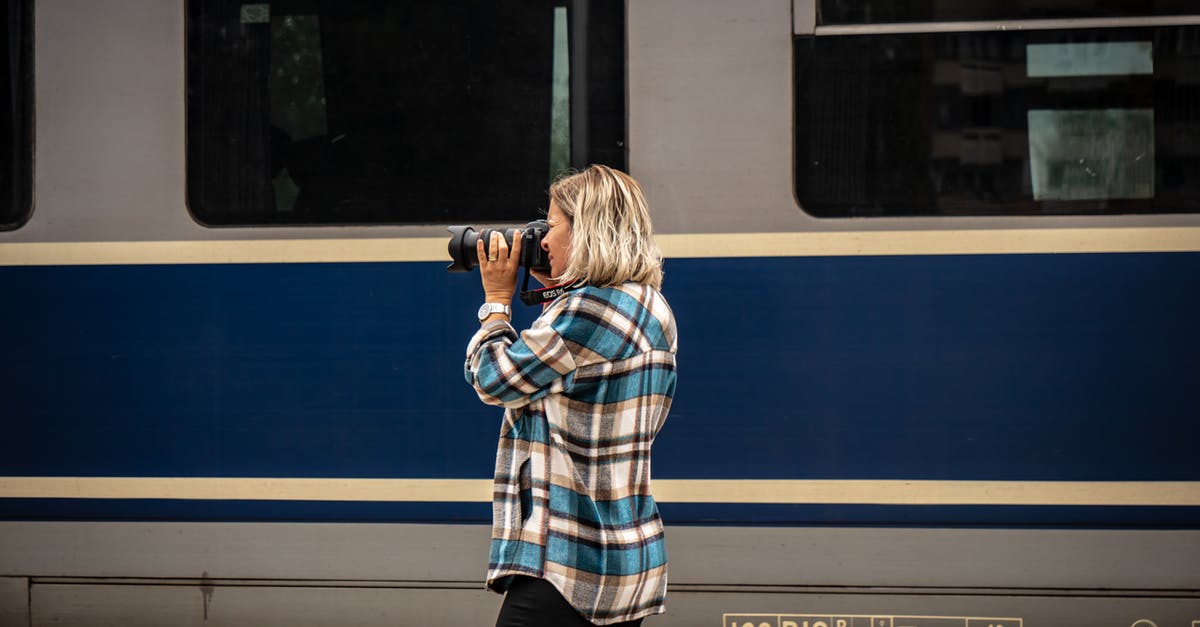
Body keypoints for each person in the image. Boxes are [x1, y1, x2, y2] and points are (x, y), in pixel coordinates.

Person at [464, 165, 678, 627]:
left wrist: (496, 302)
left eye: (553, 225)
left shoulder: (589, 311)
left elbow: (492, 377)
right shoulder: (648, 304)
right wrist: (560, 285)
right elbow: (569, 368)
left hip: (571, 563)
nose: (541, 241)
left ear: (587, 231)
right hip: (625, 558)